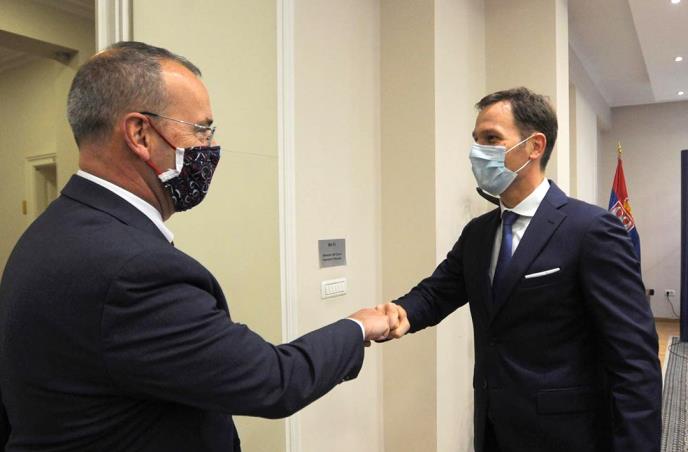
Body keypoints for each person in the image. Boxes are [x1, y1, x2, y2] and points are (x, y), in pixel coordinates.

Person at [0, 41, 397, 452]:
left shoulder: (47, 234)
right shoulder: (134, 270)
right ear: (140, 134)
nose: (209, 147)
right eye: (201, 130)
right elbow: (273, 381)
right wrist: (359, 326)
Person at [377, 87, 662, 452]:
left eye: (491, 138)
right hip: (494, 428)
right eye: (476, 140)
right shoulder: (478, 233)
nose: (477, 151)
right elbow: (437, 292)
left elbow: (634, 360)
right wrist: (396, 314)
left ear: (534, 146)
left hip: (567, 435)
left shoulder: (590, 230)